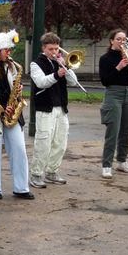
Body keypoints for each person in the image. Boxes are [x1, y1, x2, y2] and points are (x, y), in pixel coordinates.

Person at [0, 30, 34, 200]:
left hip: (11, 113)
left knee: (19, 149)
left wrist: (17, 92)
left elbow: (11, 88)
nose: (9, 53)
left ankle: (21, 187)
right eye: (6, 49)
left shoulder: (11, 66)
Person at [28, 32, 80, 188]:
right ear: (44, 48)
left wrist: (67, 67)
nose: (54, 52)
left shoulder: (60, 62)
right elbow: (41, 82)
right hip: (45, 109)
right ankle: (36, 174)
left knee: (60, 142)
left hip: (61, 108)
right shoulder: (36, 64)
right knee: (43, 143)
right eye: (51, 49)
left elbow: (73, 83)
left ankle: (52, 171)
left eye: (57, 49)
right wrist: (57, 74)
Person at [99, 28, 128, 179]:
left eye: (124, 39)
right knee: (113, 131)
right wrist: (118, 67)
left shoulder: (125, 56)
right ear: (111, 41)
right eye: (119, 39)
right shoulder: (105, 58)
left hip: (127, 93)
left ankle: (122, 161)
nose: (122, 42)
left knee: (127, 129)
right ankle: (107, 165)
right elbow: (105, 81)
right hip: (113, 94)